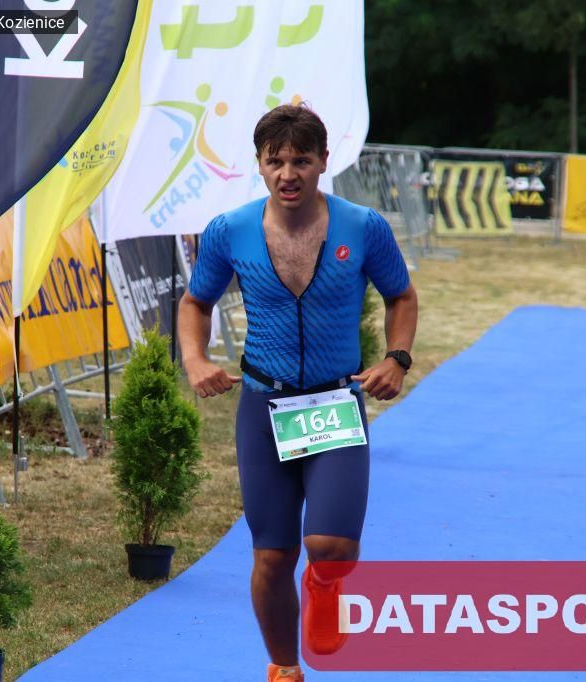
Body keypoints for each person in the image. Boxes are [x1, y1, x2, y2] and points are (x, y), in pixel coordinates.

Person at [177, 104, 418, 682]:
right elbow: (195, 303)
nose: (289, 174)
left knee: (332, 547)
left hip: (335, 403)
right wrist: (195, 359)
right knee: (272, 554)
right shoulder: (230, 230)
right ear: (260, 165)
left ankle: (325, 585)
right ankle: (285, 669)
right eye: (276, 161)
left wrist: (396, 359)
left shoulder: (363, 226)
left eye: (302, 161)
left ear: (323, 162)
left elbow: (402, 297)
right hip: (264, 405)